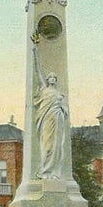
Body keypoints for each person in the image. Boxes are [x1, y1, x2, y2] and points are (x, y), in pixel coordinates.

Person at [32, 42, 68, 180]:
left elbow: (63, 108)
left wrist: (62, 109)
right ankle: (43, 171)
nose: (52, 78)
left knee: (56, 146)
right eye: (50, 77)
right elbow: (38, 71)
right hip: (46, 120)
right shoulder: (44, 89)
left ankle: (54, 172)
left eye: (54, 77)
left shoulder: (58, 93)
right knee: (47, 146)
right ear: (47, 80)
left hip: (57, 118)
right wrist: (35, 52)